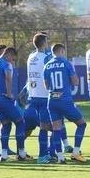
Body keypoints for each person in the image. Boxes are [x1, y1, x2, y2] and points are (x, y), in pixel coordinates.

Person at [44, 43, 87, 163]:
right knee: (82, 124)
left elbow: (46, 86)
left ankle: (60, 157)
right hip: (65, 100)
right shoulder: (67, 63)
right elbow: (76, 82)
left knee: (56, 129)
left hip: (52, 101)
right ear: (62, 51)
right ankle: (76, 152)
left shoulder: (47, 65)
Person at [24, 32, 54, 164]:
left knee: (43, 126)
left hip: (33, 96)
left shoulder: (30, 57)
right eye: (46, 41)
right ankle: (43, 155)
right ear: (44, 43)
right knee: (47, 126)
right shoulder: (46, 58)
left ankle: (49, 153)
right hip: (44, 96)